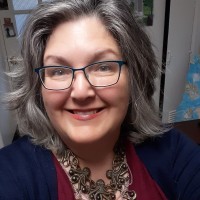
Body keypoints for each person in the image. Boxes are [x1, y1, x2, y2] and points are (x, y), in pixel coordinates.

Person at [0, 0, 200, 199]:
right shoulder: (10, 174)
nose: (80, 92)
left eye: (103, 67)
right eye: (58, 71)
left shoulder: (173, 151)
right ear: (38, 87)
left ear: (134, 77)